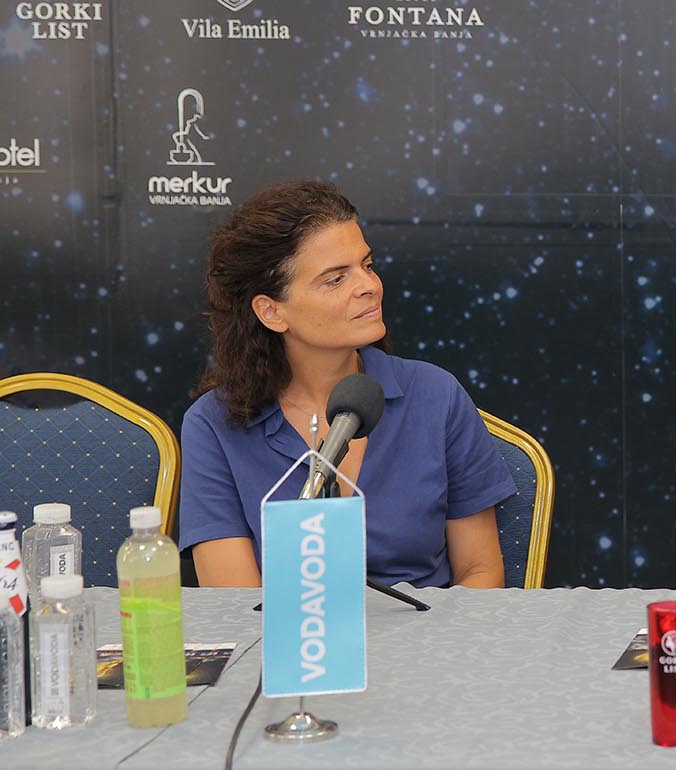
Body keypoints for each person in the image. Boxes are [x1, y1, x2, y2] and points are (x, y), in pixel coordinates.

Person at [180, 179, 517, 588]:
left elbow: (481, 571)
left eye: (367, 265)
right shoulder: (214, 425)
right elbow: (234, 602)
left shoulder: (436, 395)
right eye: (336, 279)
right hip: (287, 629)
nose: (370, 287)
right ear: (271, 312)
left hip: (428, 627)